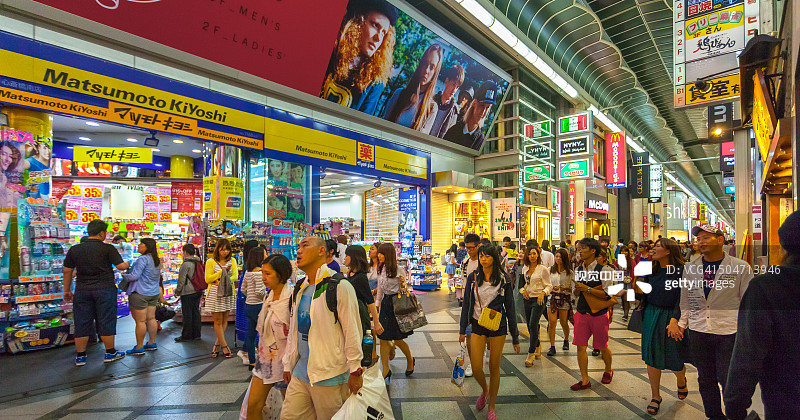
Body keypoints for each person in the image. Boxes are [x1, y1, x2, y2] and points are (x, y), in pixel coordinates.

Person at [724, 210, 800, 420]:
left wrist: (735, 408)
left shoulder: (767, 288)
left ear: (784, 246)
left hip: (787, 407)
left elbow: (747, 357)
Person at [281, 237, 363, 420]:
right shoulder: (300, 287)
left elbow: (352, 331)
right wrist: (288, 363)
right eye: (299, 246)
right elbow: (295, 330)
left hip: (329, 376)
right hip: (301, 373)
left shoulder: (339, 286)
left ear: (321, 251)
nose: (299, 250)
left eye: (305, 245)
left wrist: (355, 369)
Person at [677, 224, 752, 420]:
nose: (700, 242)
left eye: (706, 237)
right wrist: (682, 323)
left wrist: (747, 332)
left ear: (720, 240)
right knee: (705, 378)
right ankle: (714, 416)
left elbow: (747, 303)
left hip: (729, 331)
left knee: (728, 378)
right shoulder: (690, 268)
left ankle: (735, 415)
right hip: (699, 330)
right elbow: (686, 298)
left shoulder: (740, 267)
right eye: (699, 238)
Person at [459, 245, 520, 420]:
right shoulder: (473, 277)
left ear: (494, 258)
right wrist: (462, 329)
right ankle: (485, 390)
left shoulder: (503, 279)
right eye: (481, 256)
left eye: (486, 256)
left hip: (497, 326)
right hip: (478, 324)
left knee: (494, 366)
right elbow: (467, 305)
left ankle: (491, 405)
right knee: (477, 366)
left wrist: (515, 336)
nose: (483, 259)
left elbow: (510, 307)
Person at [63, 219, 130, 366]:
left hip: (82, 290)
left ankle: (80, 356)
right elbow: (120, 267)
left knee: (82, 321)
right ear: (101, 233)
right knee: (106, 319)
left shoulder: (75, 249)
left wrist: (67, 290)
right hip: (105, 289)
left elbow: (67, 271)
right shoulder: (108, 249)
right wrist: (127, 263)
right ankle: (110, 353)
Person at [320, 0, 398, 114]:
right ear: (358, 21)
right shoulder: (329, 48)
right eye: (375, 25)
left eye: (383, 33)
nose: (378, 38)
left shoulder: (375, 80)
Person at [639, 239, 688, 415]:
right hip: (652, 314)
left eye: (657, 247)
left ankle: (681, 380)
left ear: (668, 251)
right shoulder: (650, 269)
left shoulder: (681, 271)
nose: (653, 249)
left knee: (675, 357)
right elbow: (645, 293)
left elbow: (683, 297)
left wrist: (675, 318)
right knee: (651, 355)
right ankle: (655, 396)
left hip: (672, 316)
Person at [246, 254, 292, 419]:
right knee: (253, 406)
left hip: (286, 364)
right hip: (265, 361)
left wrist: (288, 364)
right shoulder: (268, 297)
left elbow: (293, 336)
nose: (263, 278)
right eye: (262, 273)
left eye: (268, 274)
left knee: (291, 413)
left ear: (281, 275)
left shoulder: (291, 300)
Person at [570, 238, 618, 390]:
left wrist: (588, 289)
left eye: (583, 248)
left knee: (602, 346)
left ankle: (608, 369)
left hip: (599, 314)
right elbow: (575, 293)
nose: (580, 250)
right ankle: (584, 379)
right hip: (582, 312)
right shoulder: (577, 270)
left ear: (593, 251)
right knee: (580, 346)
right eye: (579, 248)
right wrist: (577, 289)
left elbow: (608, 294)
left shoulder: (606, 271)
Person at [375, 242, 414, 382]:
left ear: (388, 255)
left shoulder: (398, 269)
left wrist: (403, 284)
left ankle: (410, 360)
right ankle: (385, 370)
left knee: (398, 338)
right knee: (383, 337)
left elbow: (405, 289)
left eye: (381, 253)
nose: (378, 255)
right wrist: (377, 304)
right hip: (385, 304)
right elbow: (380, 289)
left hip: (397, 304)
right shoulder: (381, 269)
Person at [384, 44, 443, 133]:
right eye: (425, 64)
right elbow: (383, 126)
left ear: (435, 73)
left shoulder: (431, 108)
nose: (426, 70)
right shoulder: (399, 94)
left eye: (432, 67)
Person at [344, 245, 383, 366]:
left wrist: (376, 322)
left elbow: (369, 300)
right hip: (351, 313)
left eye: (347, 256)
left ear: (354, 257)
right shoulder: (350, 273)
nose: (344, 258)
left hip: (359, 314)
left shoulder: (360, 277)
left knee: (359, 344)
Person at [122, 238, 162, 355]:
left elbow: (134, 276)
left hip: (140, 293)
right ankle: (151, 343)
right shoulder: (156, 260)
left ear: (147, 247)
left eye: (141, 244)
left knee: (140, 321)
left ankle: (139, 347)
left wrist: (124, 275)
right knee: (151, 319)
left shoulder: (142, 259)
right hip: (153, 293)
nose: (138, 246)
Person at [519, 245, 552, 366]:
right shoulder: (524, 268)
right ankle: (537, 345)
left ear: (538, 255)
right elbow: (521, 286)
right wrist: (524, 292)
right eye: (530, 254)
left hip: (539, 300)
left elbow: (549, 285)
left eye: (534, 254)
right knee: (529, 325)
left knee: (533, 324)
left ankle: (531, 354)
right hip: (527, 299)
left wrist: (543, 293)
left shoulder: (543, 269)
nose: (532, 256)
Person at [205, 238, 238, 358]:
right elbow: (207, 279)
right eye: (222, 249)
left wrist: (225, 280)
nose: (225, 252)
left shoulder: (233, 261)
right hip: (215, 294)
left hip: (228, 292)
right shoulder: (211, 262)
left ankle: (217, 344)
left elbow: (235, 276)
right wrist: (222, 272)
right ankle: (224, 346)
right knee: (217, 320)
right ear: (217, 249)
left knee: (225, 319)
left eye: (227, 249)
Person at [443, 81, 498, 149]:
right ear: (474, 103)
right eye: (481, 105)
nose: (483, 112)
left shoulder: (481, 141)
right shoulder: (454, 130)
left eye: (487, 107)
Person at [242, 247, 267, 368]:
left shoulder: (248, 272)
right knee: (263, 333)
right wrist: (267, 294)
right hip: (258, 305)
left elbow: (243, 289)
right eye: (265, 254)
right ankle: (263, 359)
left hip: (248, 305)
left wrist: (249, 297)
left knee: (251, 333)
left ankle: (252, 360)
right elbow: (259, 292)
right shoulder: (259, 273)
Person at [547, 248, 574, 356]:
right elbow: (546, 283)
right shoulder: (550, 270)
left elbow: (572, 288)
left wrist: (563, 288)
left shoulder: (569, 272)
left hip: (564, 297)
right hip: (552, 297)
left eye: (560, 257)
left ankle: (566, 339)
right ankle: (552, 346)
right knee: (552, 322)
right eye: (556, 256)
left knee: (563, 322)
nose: (558, 259)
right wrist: (550, 288)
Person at [174, 243, 203, 342]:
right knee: (195, 312)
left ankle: (186, 335)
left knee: (187, 314)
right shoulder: (198, 262)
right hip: (198, 290)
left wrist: (177, 291)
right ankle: (196, 334)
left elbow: (181, 280)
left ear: (185, 252)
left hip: (188, 291)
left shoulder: (186, 264)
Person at [429, 64, 465, 138]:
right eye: (453, 84)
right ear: (446, 81)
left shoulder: (454, 112)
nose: (454, 90)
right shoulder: (431, 100)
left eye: (457, 87)